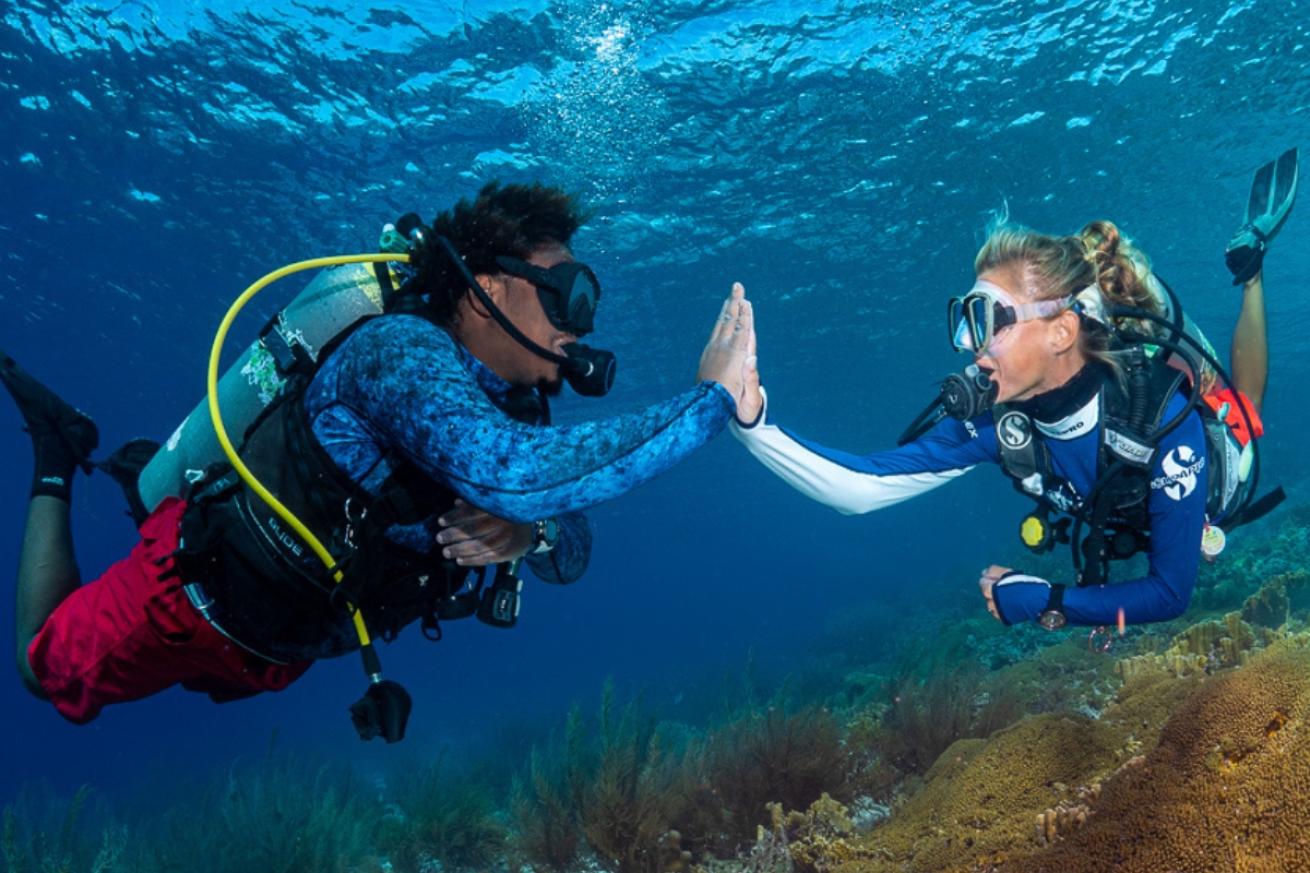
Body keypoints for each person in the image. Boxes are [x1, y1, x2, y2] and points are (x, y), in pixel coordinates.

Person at [2, 182, 759, 742]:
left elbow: (573, 545)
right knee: (45, 666)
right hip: (190, 604)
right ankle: (55, 453)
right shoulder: (397, 353)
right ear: (489, 283)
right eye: (567, 296)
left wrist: (531, 536)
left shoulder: (508, 410)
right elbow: (514, 472)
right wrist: (710, 403)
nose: (577, 328)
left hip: (284, 641)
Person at [732, 149, 1297, 632]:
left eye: (987, 320)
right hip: (1124, 514)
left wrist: (1044, 602)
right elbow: (858, 488)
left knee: (1243, 409)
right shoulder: (999, 424)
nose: (970, 345)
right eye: (965, 320)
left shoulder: (1163, 420)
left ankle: (1252, 273)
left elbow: (1171, 593)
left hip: (1216, 486)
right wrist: (752, 423)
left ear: (1062, 331)